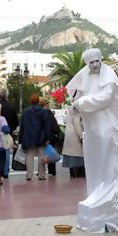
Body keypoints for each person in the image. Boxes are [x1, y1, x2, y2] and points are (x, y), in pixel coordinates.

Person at [66, 48, 118, 232]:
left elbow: (104, 99)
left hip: (107, 130)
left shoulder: (109, 76)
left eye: (97, 61)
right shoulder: (84, 77)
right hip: (92, 133)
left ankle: (110, 212)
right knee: (95, 168)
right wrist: (79, 101)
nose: (95, 65)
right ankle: (96, 198)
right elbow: (75, 96)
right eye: (91, 63)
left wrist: (81, 103)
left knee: (110, 168)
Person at [19, 93, 50, 181]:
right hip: (41, 137)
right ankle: (41, 175)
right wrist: (47, 138)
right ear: (38, 101)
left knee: (29, 156)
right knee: (41, 155)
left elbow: (22, 126)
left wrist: (21, 138)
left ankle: (29, 175)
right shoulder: (43, 111)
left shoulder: (26, 111)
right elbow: (46, 126)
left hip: (29, 137)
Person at [0, 88, 19, 178]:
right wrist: (11, 129)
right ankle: (5, 172)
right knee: (6, 151)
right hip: (7, 132)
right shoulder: (11, 106)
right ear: (7, 95)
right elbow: (16, 121)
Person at [38, 97, 61, 176]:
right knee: (50, 153)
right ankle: (52, 172)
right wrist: (56, 133)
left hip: (41, 136)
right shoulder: (48, 113)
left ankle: (41, 171)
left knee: (41, 154)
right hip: (50, 136)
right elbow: (54, 126)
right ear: (45, 104)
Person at [61, 106, 85, 178]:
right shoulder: (76, 113)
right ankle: (78, 173)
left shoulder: (69, 112)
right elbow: (77, 126)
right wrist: (81, 136)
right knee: (77, 154)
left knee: (70, 154)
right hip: (75, 136)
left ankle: (72, 173)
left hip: (68, 135)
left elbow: (64, 121)